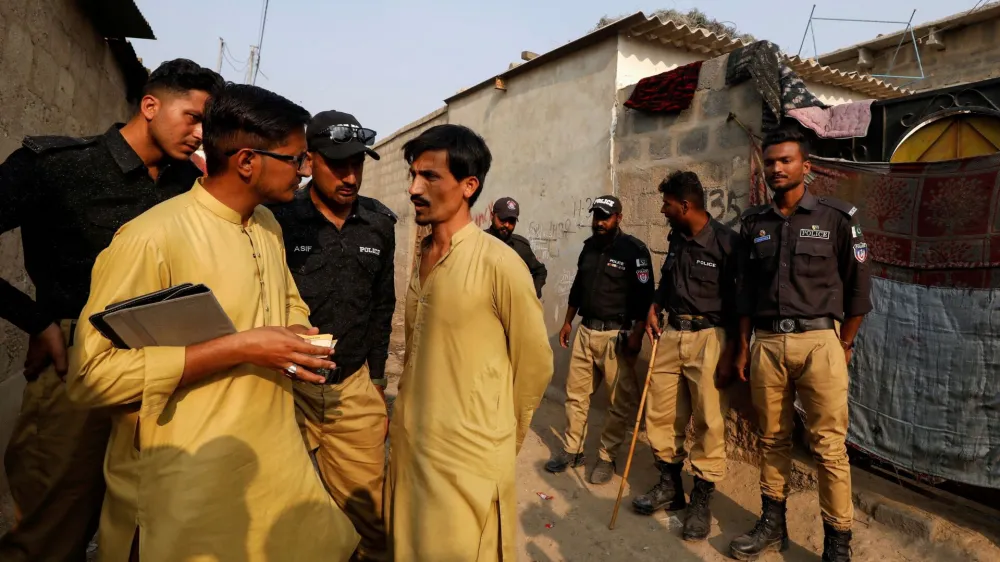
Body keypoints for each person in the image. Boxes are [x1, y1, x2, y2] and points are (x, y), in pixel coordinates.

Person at [67, 84, 360, 562]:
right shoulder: (150, 239)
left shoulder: (266, 224)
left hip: (271, 469)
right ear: (247, 161)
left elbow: (289, 305)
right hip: (186, 491)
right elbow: (89, 380)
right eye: (295, 159)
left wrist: (298, 340)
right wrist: (240, 347)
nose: (306, 171)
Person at [0, 59, 223, 562]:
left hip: (165, 374)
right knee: (51, 532)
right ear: (150, 105)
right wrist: (35, 320)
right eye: (192, 117)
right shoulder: (55, 166)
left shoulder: (190, 185)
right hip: (78, 370)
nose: (200, 134)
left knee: (149, 526)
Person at [384, 124, 553, 561]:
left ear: (469, 185)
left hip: (467, 466)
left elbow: (534, 365)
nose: (414, 189)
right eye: (412, 175)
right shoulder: (423, 256)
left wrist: (496, 444)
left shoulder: (502, 264)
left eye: (430, 177)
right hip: (410, 448)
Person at [729, 128, 870, 562]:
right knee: (771, 440)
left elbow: (859, 288)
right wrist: (743, 346)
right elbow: (746, 292)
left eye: (785, 161)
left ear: (805, 167)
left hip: (818, 342)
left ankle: (837, 542)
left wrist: (843, 343)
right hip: (767, 344)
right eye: (770, 162)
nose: (776, 168)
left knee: (829, 446)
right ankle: (773, 523)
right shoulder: (754, 224)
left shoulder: (837, 218)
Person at [270, 109, 395, 562]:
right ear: (308, 162)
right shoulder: (277, 219)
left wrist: (378, 382)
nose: (350, 176)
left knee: (374, 524)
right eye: (337, 164)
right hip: (287, 391)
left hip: (353, 388)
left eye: (357, 164)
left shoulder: (379, 225)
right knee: (285, 516)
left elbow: (383, 306)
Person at [630, 171, 741, 541]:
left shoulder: (727, 243)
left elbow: (741, 303)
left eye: (666, 204)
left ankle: (701, 501)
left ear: (685, 205)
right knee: (661, 413)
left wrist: (733, 352)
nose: (662, 210)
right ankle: (670, 488)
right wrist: (655, 305)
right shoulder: (676, 237)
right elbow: (667, 280)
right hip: (671, 334)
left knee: (709, 418)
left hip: (710, 338)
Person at [545, 195, 655, 485]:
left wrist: (637, 334)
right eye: (596, 216)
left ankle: (607, 457)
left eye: (605, 216)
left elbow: (646, 298)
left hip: (615, 336)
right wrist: (568, 321)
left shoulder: (635, 251)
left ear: (618, 216)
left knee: (618, 402)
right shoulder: (589, 248)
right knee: (576, 396)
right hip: (586, 331)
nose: (599, 222)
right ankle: (572, 450)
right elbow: (578, 289)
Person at [485, 196, 547, 298]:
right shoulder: (479, 242)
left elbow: (540, 272)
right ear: (492, 216)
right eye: (502, 219)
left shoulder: (521, 247)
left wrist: (530, 297)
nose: (507, 225)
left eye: (512, 221)